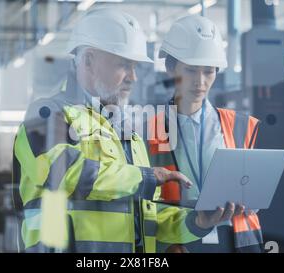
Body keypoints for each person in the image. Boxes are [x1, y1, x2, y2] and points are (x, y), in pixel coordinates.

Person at [12, 9, 214, 253]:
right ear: (88, 60)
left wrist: (196, 222)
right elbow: (65, 174)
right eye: (124, 65)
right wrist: (147, 177)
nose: (133, 77)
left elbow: (147, 216)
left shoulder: (129, 134)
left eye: (135, 66)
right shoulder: (46, 114)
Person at [148, 15, 263, 253]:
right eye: (190, 70)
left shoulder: (241, 125)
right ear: (171, 69)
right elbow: (147, 202)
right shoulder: (150, 130)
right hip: (181, 242)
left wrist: (250, 200)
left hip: (236, 241)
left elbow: (253, 188)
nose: (200, 82)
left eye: (208, 71)